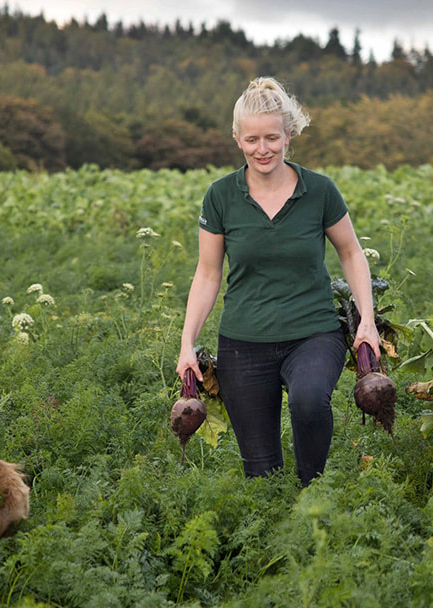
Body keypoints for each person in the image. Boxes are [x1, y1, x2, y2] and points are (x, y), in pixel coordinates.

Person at [176, 77, 380, 486]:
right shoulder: (220, 196)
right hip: (243, 341)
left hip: (312, 332)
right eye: (252, 139)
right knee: (261, 471)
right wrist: (186, 344)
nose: (262, 148)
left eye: (272, 137)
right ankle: (275, 526)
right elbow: (208, 272)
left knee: (309, 400)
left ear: (289, 135)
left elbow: (351, 253)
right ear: (237, 138)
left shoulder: (320, 191)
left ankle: (313, 495)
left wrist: (367, 322)